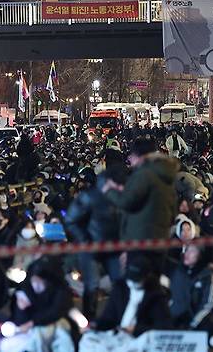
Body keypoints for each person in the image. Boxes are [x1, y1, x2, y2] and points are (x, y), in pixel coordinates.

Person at [103, 137, 178, 271]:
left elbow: (126, 202)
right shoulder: (163, 174)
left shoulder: (144, 174)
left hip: (141, 240)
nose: (130, 159)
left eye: (132, 155)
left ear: (140, 157)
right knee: (153, 282)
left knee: (138, 281)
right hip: (159, 237)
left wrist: (110, 190)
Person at [79, 256, 173, 351]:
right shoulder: (120, 288)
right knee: (88, 340)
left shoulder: (155, 296)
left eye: (136, 279)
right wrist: (95, 325)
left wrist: (135, 329)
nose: (132, 282)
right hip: (117, 335)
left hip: (138, 338)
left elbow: (163, 326)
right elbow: (109, 317)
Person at [64, 171, 121, 319]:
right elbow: (70, 220)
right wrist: (85, 239)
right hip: (91, 248)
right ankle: (90, 320)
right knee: (91, 285)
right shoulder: (88, 197)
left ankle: (118, 318)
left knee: (120, 281)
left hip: (113, 247)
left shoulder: (120, 198)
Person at [0, 256, 75, 352]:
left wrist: (33, 322)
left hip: (56, 325)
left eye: (40, 282)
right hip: (31, 332)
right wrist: (21, 309)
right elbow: (20, 321)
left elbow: (56, 311)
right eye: (34, 281)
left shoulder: (60, 291)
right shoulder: (25, 290)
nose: (36, 285)